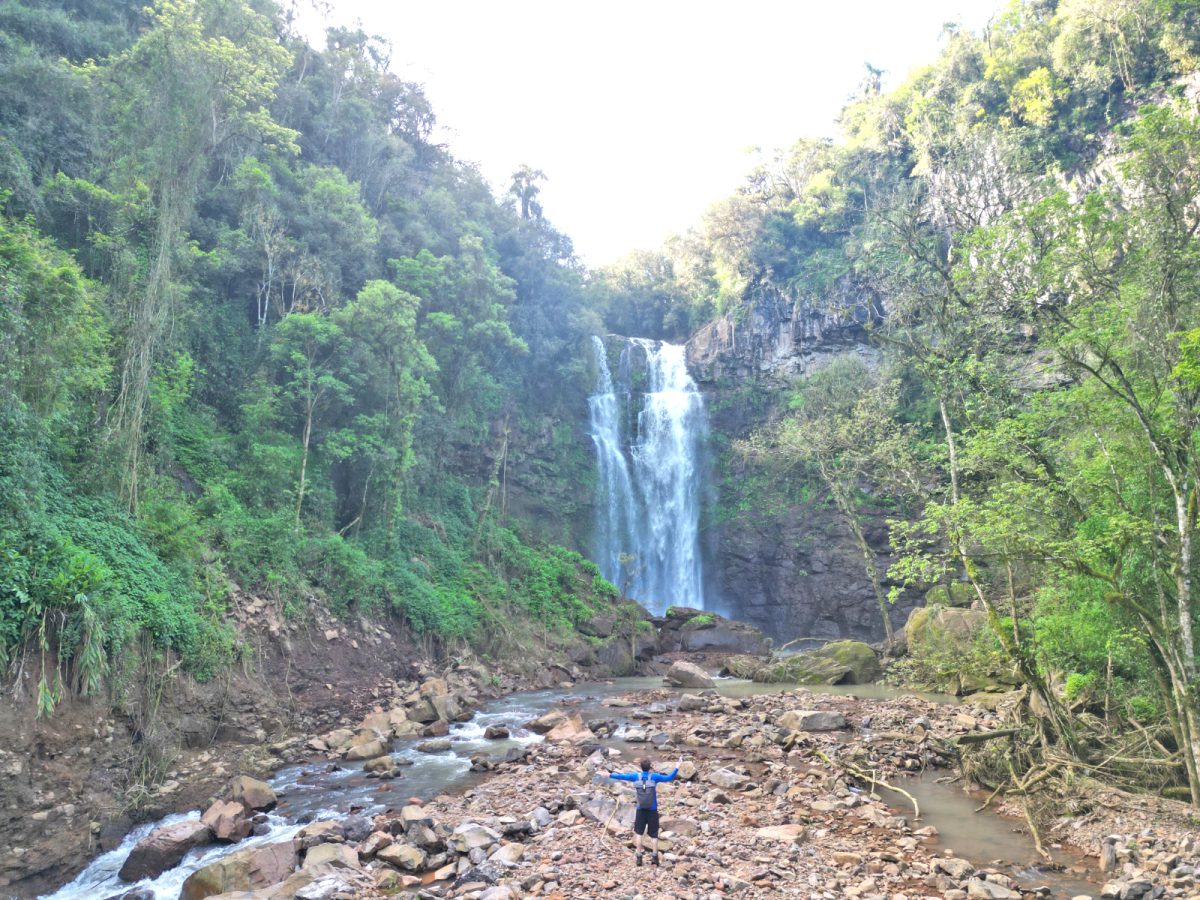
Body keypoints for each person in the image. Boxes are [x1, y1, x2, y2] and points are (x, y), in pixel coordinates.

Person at [606, 757, 679, 866]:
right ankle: (655, 857)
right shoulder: (654, 776)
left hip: (640, 810)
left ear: (641, 767)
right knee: (654, 835)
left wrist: (609, 775)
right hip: (652, 810)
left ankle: (639, 857)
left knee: (639, 833)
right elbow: (669, 777)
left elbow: (622, 776)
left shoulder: (636, 776)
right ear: (650, 767)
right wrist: (677, 767)